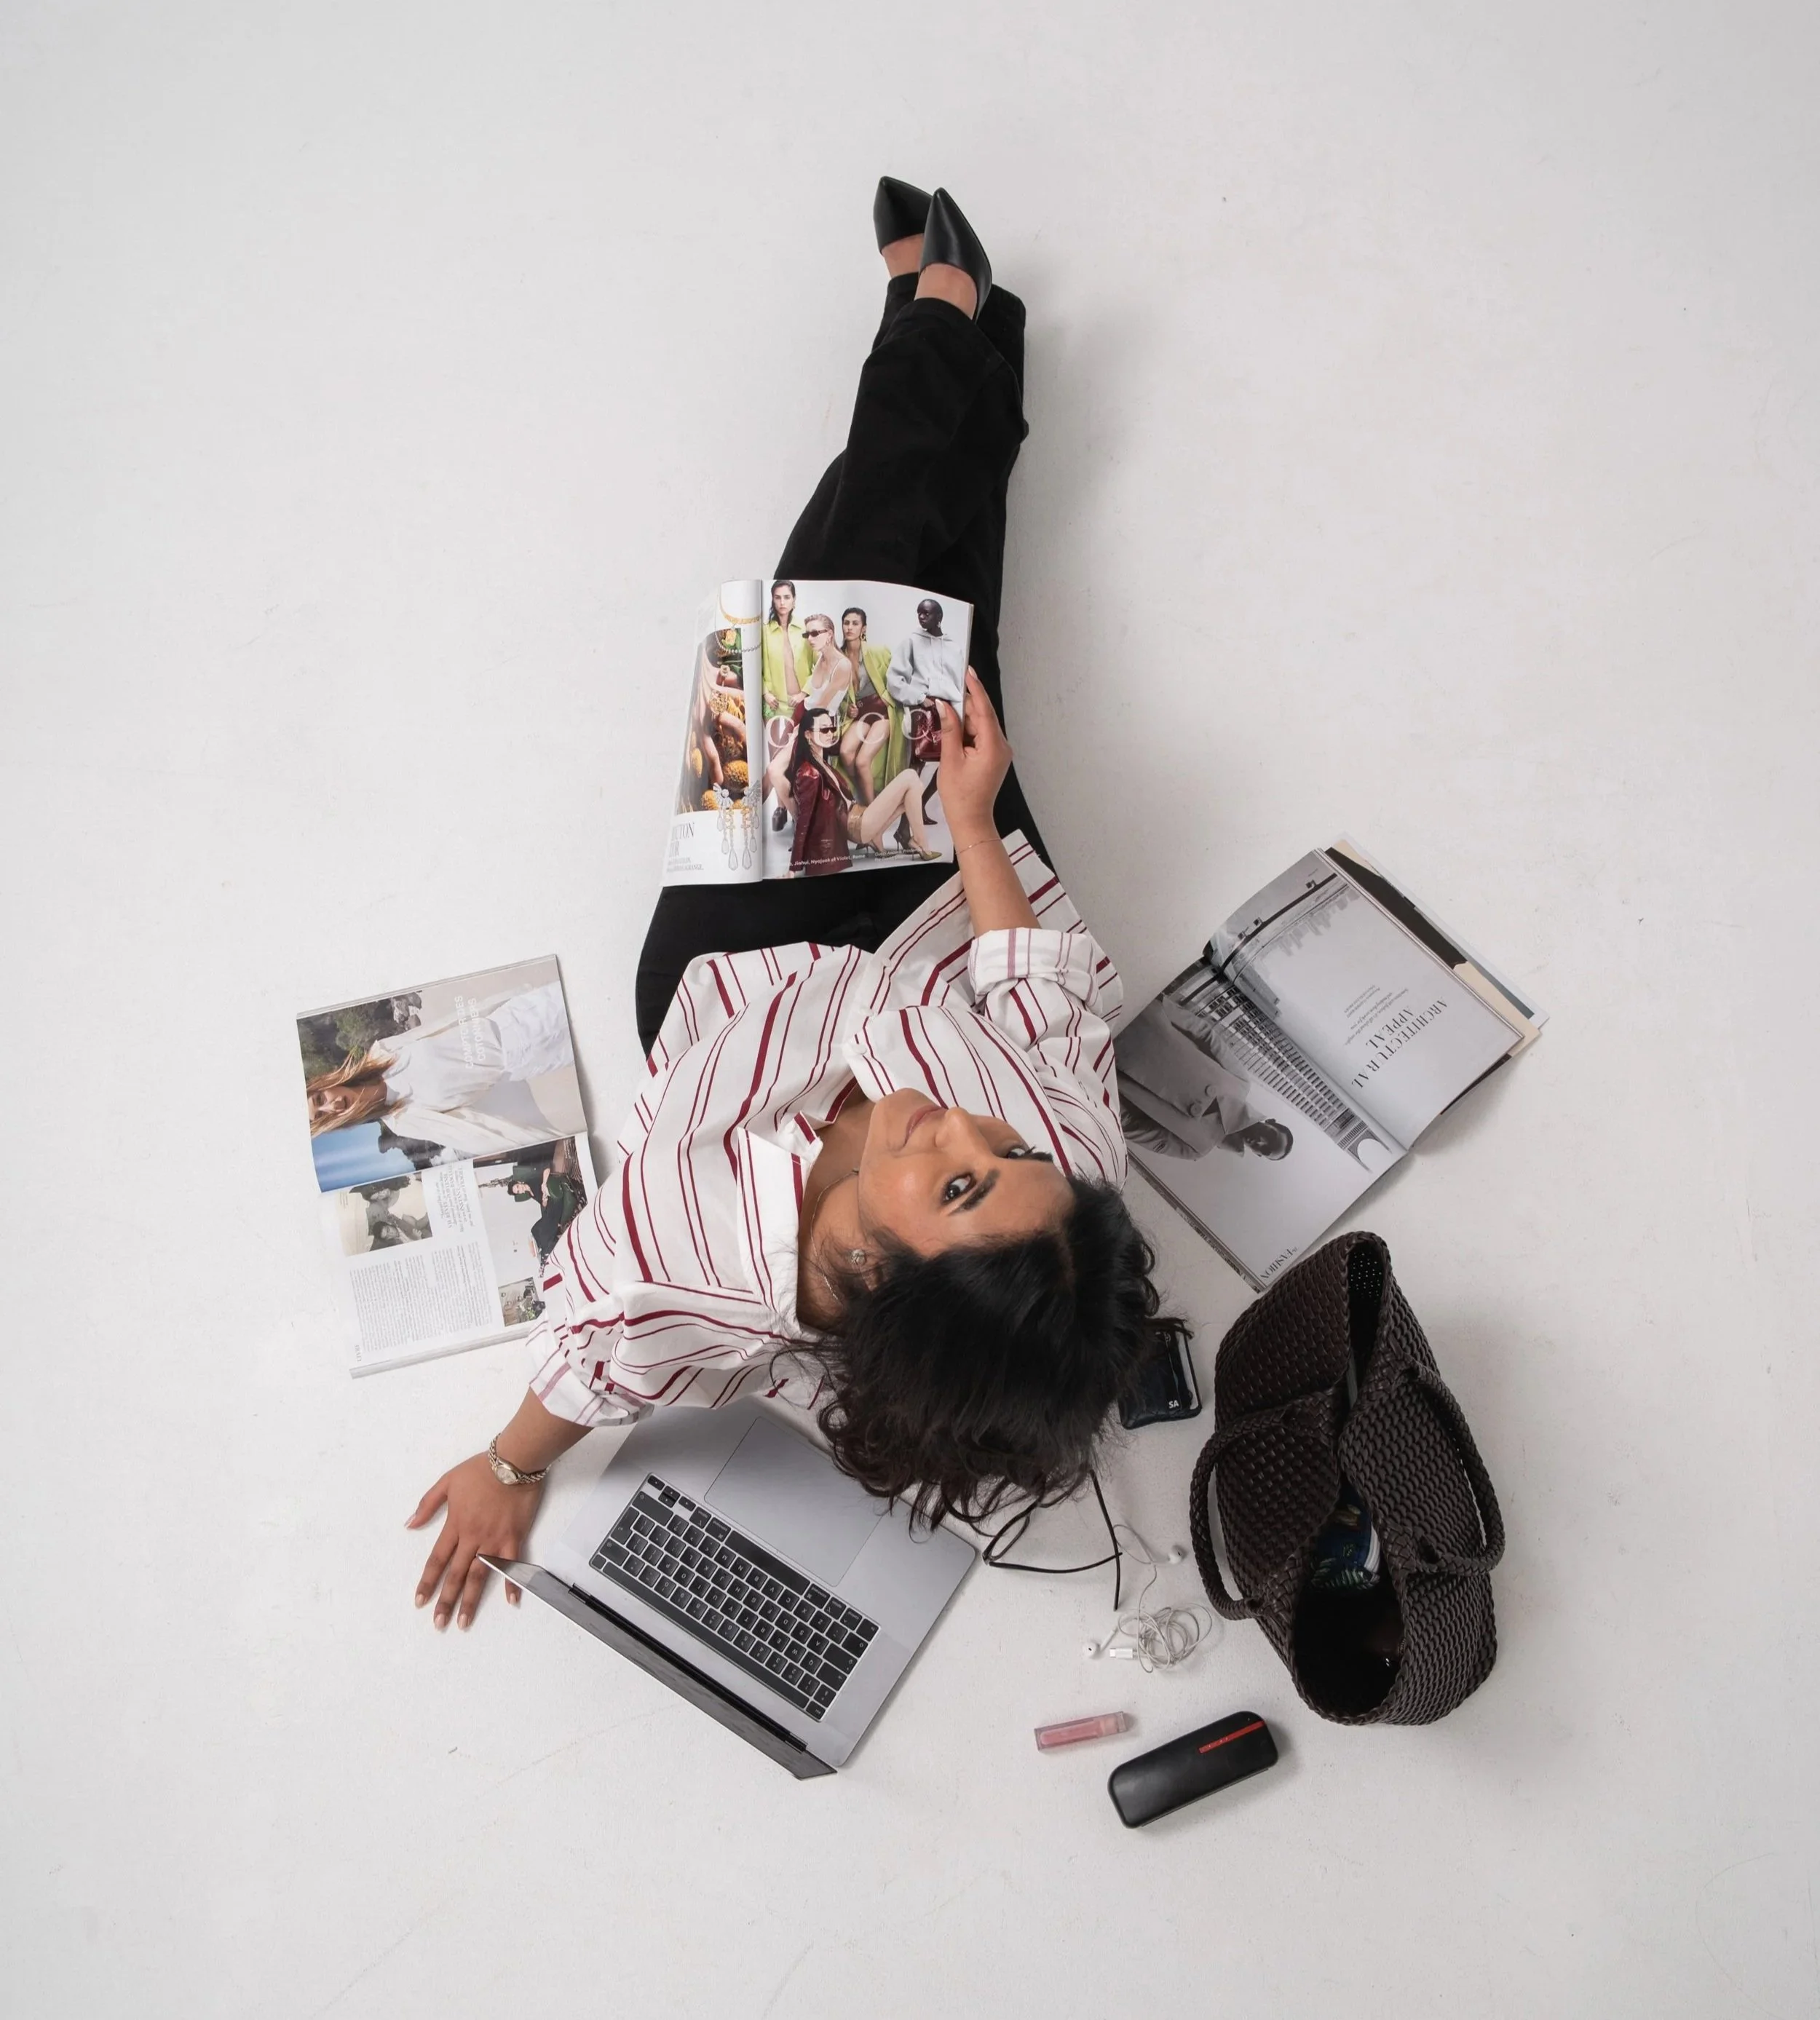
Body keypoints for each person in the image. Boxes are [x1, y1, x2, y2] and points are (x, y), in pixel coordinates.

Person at [408, 181, 1189, 1633]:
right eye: (1002, 1144)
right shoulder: (1069, 1184)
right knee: (944, 626)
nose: (960, 1123)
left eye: (956, 1178)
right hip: (934, 906)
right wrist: (968, 822)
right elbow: (1028, 993)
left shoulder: (670, 1244)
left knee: (833, 598)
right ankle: (955, 334)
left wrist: (509, 1466)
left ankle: (949, 327)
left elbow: (597, 1355)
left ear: (872, 1273)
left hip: (737, 958)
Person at [306, 981, 574, 1157]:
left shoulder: (382, 1052)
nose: (333, 1106)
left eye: (320, 1099)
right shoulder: (403, 1120)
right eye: (323, 1116)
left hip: (515, 1015)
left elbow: (449, 1023)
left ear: (325, 1084)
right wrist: (551, 1145)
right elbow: (474, 1133)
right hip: (526, 1059)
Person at [1115, 999, 1295, 1160]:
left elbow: (1134, 1128)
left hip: (1109, 1064)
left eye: (1264, 1150)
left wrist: (1101, 1084)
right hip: (1144, 1019)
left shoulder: (1197, 1148)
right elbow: (1204, 1035)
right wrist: (1161, 1005)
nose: (1261, 1141)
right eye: (1271, 1136)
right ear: (1271, 1122)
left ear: (1257, 1154)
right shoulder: (1240, 1082)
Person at [786, 706, 941, 874]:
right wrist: (793, 868)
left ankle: (878, 836)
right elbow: (804, 820)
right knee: (911, 776)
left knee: (914, 789)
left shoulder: (822, 763)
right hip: (856, 826)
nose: (830, 734)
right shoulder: (809, 773)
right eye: (824, 730)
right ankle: (920, 843)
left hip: (858, 814)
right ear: (808, 735)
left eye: (832, 728)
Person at [839, 606, 903, 802]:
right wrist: (846, 708)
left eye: (855, 623)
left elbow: (898, 677)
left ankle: (870, 812)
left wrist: (888, 696)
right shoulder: (838, 657)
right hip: (860, 712)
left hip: (882, 712)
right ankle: (866, 795)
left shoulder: (878, 652)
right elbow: (835, 693)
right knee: (845, 753)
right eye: (846, 623)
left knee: (863, 761)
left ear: (863, 628)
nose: (850, 627)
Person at [887, 595, 968, 710]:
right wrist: (920, 698)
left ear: (939, 616)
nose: (921, 617)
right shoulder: (912, 641)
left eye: (926, 613)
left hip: (953, 708)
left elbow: (960, 685)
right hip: (922, 707)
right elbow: (894, 679)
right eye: (919, 613)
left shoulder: (954, 648)